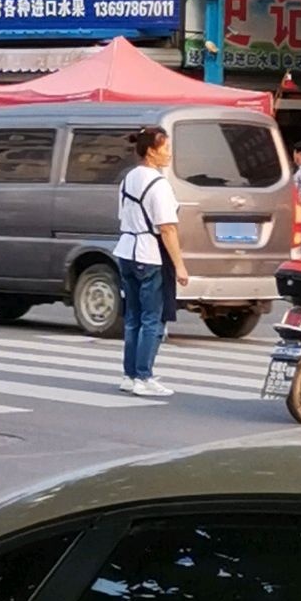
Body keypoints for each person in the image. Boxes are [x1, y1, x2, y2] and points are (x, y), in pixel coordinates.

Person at [114, 126, 189, 399]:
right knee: (152, 320)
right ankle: (144, 376)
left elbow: (123, 215)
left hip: (126, 251)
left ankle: (130, 374)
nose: (168, 154)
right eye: (165, 148)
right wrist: (180, 266)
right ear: (151, 151)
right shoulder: (158, 185)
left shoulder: (128, 179)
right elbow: (167, 228)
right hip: (149, 255)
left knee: (132, 317)